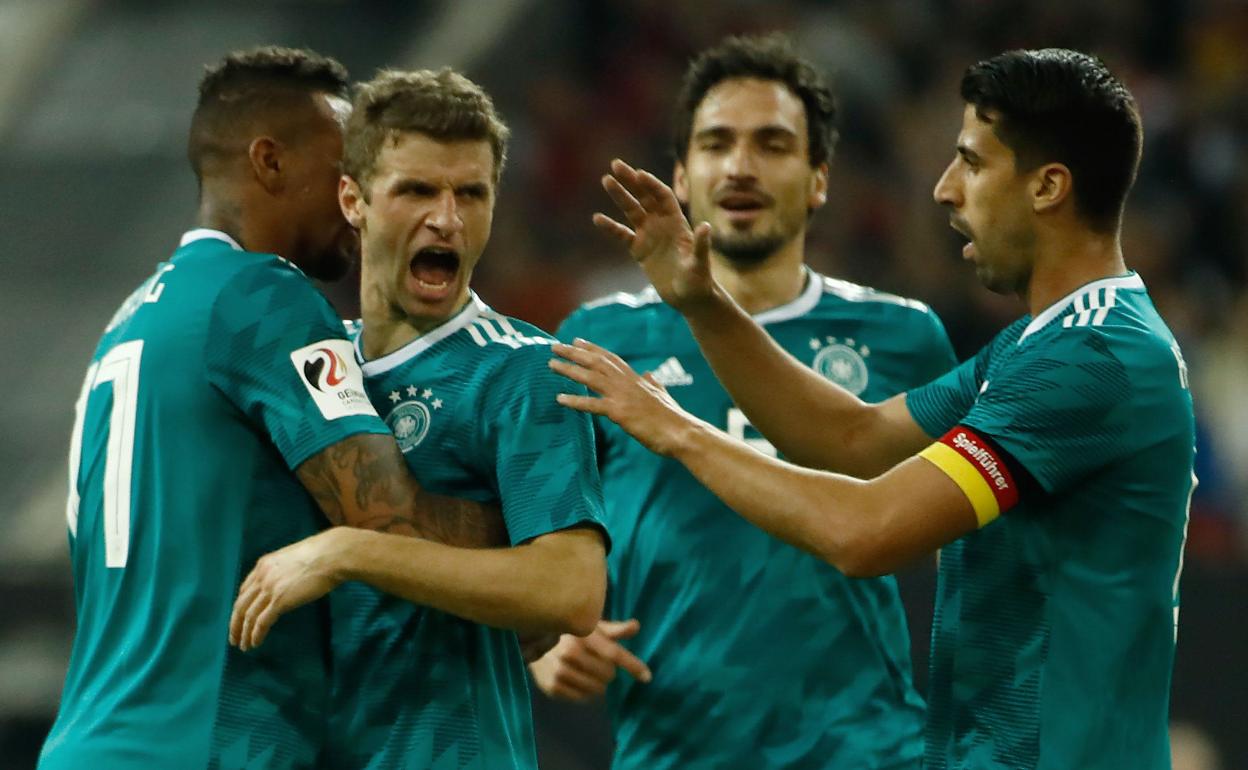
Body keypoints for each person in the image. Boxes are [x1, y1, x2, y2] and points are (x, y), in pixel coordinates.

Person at [553, 48, 1194, 769]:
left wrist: (675, 429)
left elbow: (866, 531)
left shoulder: (1090, 354)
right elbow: (855, 437)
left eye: (971, 163)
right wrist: (703, 303)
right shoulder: (1038, 344)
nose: (945, 190)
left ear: (1047, 186)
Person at [41, 47, 505, 770]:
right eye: (342, 166)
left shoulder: (132, 323)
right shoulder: (261, 297)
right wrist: (541, 527)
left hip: (92, 740)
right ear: (270, 162)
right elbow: (392, 522)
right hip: (205, 745)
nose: (355, 194)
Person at [529, 34, 954, 770]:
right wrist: (545, 639)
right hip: (672, 748)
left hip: (866, 748)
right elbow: (532, 527)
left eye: (772, 144)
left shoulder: (903, 337)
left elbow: (970, 552)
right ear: (681, 175)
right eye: (716, 143)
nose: (740, 166)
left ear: (819, 179)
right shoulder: (599, 339)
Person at [228, 68, 609, 770]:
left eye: (472, 193)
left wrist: (349, 552)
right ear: (354, 199)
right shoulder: (307, 369)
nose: (448, 219)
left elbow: (571, 590)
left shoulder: (520, 371)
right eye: (417, 191)